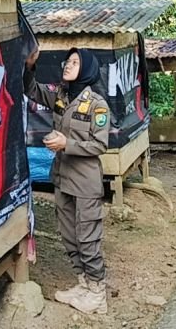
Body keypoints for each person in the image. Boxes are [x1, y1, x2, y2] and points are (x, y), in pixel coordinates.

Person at [24, 47, 111, 315]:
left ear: (86, 69)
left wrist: (66, 143)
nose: (68, 65)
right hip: (62, 179)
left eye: (75, 62)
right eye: (68, 61)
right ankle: (83, 284)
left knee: (87, 238)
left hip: (85, 182)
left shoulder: (97, 105)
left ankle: (98, 292)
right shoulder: (61, 95)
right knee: (69, 236)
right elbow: (33, 91)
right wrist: (29, 67)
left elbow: (99, 144)